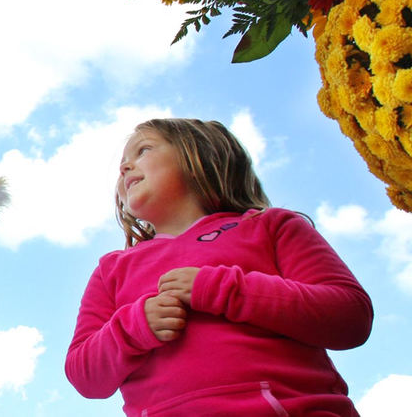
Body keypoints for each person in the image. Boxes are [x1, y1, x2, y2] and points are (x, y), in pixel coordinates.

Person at [65, 118, 373, 416]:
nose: (124, 167)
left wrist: (223, 290)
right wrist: (133, 328)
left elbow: (350, 317)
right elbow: (84, 375)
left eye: (143, 150)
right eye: (123, 160)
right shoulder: (112, 270)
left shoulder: (271, 226)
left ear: (201, 155)